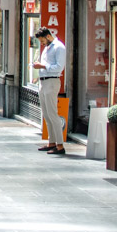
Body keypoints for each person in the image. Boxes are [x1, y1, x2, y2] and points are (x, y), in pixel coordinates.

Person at [32, 27, 67, 155]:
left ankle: (60, 145)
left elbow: (59, 67)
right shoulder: (47, 48)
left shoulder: (59, 47)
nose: (42, 44)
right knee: (46, 114)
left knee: (53, 114)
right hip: (43, 82)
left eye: (42, 41)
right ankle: (51, 142)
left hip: (52, 82)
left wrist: (42, 66)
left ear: (47, 36)